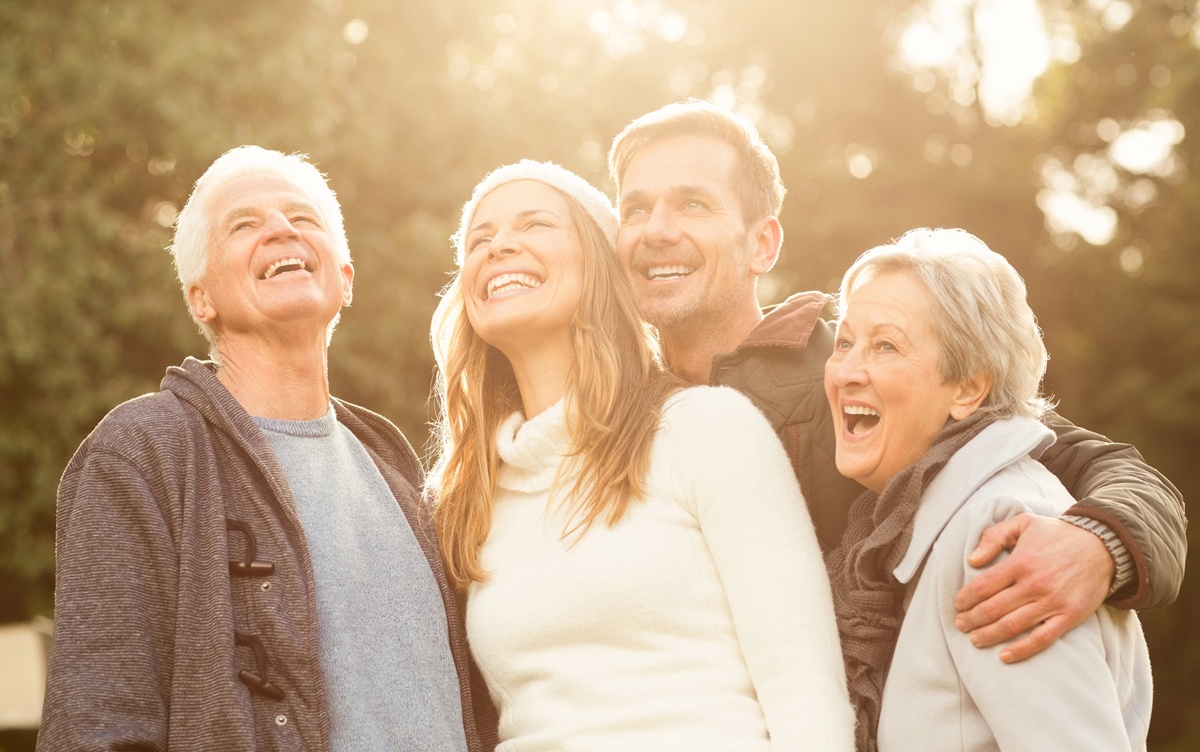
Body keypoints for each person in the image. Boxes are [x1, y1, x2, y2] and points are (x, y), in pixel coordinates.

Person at [607, 99, 1186, 663]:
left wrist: (1099, 545)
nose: (656, 230)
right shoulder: (597, 409)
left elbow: (1113, 469)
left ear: (762, 244)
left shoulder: (859, 372)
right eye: (635, 209)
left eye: (692, 205)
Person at [38, 146, 493, 751]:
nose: (282, 229)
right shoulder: (143, 455)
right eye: (244, 224)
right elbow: (97, 727)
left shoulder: (393, 464)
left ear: (344, 276)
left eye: (303, 219)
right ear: (202, 298)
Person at [427, 160, 855, 751]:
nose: (500, 246)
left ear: (600, 265)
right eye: (480, 238)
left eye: (534, 225)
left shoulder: (705, 428)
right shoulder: (465, 496)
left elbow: (805, 692)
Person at [824, 227, 1152, 751]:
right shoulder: (939, 519)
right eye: (844, 342)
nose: (845, 371)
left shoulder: (997, 534)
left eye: (885, 345)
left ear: (969, 387)